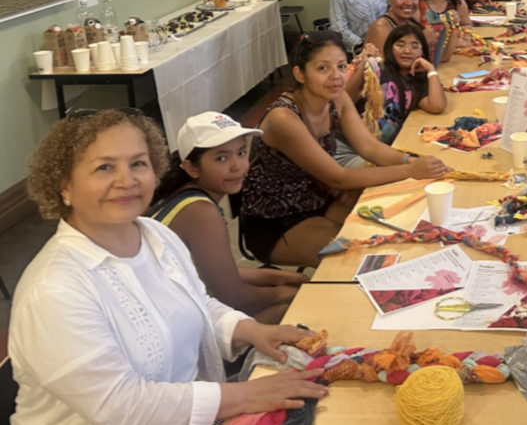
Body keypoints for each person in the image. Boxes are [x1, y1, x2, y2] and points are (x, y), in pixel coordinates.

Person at [12, 109, 327, 425]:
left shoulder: (153, 234)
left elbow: (197, 303)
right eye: (104, 167)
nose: (126, 180)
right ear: (64, 186)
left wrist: (250, 330)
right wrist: (246, 394)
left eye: (138, 163)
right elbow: (122, 409)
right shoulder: (53, 291)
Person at [240, 32, 450, 267]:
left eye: (341, 66)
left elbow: (369, 147)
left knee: (396, 229)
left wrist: (411, 161)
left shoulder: (336, 99)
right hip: (276, 219)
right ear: (299, 74)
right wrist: (411, 170)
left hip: (318, 199)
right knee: (361, 258)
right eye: (322, 68)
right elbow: (338, 177)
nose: (336, 77)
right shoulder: (283, 117)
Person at [149, 112, 309, 324]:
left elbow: (219, 272)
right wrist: (286, 293)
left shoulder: (182, 195)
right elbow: (233, 297)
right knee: (293, 311)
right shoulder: (200, 212)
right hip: (172, 321)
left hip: (175, 305)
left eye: (241, 153)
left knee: (292, 285)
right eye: (221, 158)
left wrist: (285, 278)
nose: (238, 166)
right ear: (191, 168)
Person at [345, 24, 447, 145]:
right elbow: (345, 101)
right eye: (400, 45)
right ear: (390, 48)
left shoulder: (416, 80)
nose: (407, 51)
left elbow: (437, 106)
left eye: (414, 46)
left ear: (422, 51)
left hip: (388, 146)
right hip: (358, 145)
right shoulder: (378, 69)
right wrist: (363, 65)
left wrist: (431, 70)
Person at [364, 0, 429, 55]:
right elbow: (386, 65)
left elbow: (440, 58)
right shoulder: (380, 27)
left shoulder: (411, 21)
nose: (409, 3)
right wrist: (424, 41)